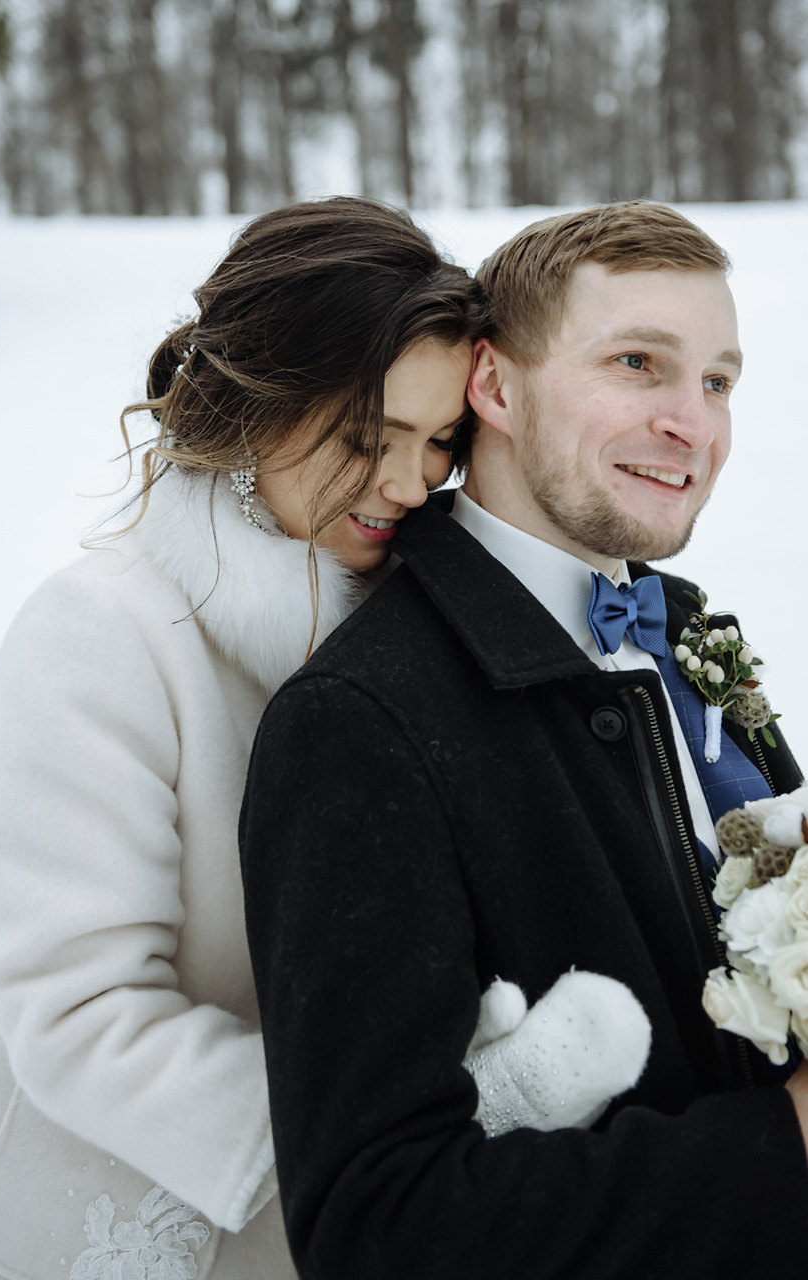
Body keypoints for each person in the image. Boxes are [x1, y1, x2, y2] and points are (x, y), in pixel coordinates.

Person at [239, 200, 808, 1280]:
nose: (695, 422)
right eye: (639, 363)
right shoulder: (360, 724)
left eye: (719, 380)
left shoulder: (688, 634)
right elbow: (379, 1225)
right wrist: (783, 1145)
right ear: (494, 389)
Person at [0, 197, 482, 1280]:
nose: (410, 481)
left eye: (440, 443)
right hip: (99, 1203)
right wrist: (378, 1146)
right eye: (366, 438)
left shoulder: (408, 623)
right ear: (259, 401)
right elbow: (80, 1012)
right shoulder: (100, 636)